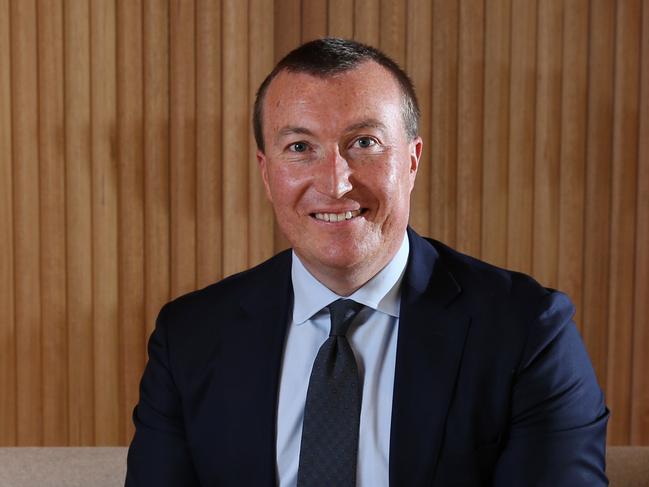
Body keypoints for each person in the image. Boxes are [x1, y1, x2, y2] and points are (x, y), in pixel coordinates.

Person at [125, 38, 608, 486]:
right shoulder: (190, 336)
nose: (335, 183)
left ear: (412, 160)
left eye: (364, 143)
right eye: (300, 148)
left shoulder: (527, 331)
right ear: (266, 173)